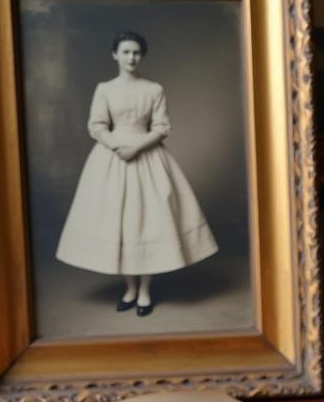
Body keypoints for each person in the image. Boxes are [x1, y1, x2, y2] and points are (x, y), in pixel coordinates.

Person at [56, 31, 219, 316]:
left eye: (136, 52)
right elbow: (96, 126)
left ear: (141, 56)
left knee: (149, 223)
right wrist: (118, 147)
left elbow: (162, 127)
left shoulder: (153, 89)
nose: (131, 57)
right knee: (121, 225)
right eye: (126, 52)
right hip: (112, 159)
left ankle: (144, 291)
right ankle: (130, 288)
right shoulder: (104, 89)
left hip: (148, 158)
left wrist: (136, 148)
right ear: (115, 55)